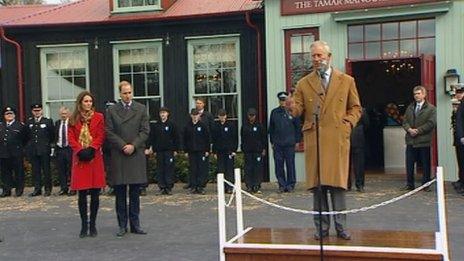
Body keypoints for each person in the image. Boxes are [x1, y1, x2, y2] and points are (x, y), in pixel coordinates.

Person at [287, 40, 361, 240]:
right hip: (315, 139)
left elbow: (356, 108)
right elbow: (298, 109)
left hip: (337, 138)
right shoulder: (304, 83)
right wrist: (291, 106)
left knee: (337, 186)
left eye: (320, 56)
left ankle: (341, 227)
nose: (316, 59)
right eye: (313, 56)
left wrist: (347, 124)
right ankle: (321, 229)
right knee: (318, 187)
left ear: (329, 57)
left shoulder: (346, 81)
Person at [106, 81, 150, 237]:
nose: (127, 95)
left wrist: (133, 145)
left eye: (129, 92)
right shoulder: (111, 110)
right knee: (120, 193)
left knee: (135, 194)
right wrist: (123, 145)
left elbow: (145, 131)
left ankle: (135, 224)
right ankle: (122, 225)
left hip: (135, 154)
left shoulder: (141, 109)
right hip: (119, 154)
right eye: (124, 93)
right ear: (120, 94)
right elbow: (109, 132)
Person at [68, 91, 106, 238]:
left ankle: (93, 224)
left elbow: (101, 135)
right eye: (86, 101)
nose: (88, 104)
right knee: (82, 194)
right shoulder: (73, 119)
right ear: (80, 103)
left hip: (94, 157)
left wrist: (92, 148)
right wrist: (79, 150)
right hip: (80, 159)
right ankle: (84, 224)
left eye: (90, 101)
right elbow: (70, 137)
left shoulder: (99, 117)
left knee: (95, 194)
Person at [402, 86, 436, 192]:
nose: (416, 96)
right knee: (409, 163)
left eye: (418, 93)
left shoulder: (431, 108)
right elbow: (405, 121)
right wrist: (409, 129)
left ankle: (425, 185)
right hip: (411, 140)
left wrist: (418, 130)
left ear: (424, 94)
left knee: (425, 164)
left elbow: (431, 123)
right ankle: (410, 184)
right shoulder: (410, 107)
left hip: (424, 141)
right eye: (415, 94)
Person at [269, 91, 301, 193]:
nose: (283, 102)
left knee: (290, 164)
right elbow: (271, 128)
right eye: (281, 100)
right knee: (279, 164)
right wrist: (272, 141)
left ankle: (291, 184)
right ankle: (282, 184)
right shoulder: (274, 112)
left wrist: (297, 141)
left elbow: (297, 127)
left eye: (284, 100)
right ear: (279, 101)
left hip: (289, 143)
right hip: (278, 143)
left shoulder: (292, 111)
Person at [147, 107, 179, 195]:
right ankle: (162, 186)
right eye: (161, 113)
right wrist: (151, 148)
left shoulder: (172, 124)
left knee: (169, 168)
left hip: (169, 150)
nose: (162, 114)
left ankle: (169, 187)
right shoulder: (156, 125)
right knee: (160, 168)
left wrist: (176, 149)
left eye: (164, 113)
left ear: (167, 114)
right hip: (159, 150)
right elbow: (152, 137)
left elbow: (176, 137)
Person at [26, 103, 55, 197]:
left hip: (44, 150)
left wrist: (49, 146)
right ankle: (37, 189)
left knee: (46, 170)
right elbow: (26, 137)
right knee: (35, 170)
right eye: (35, 111)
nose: (37, 112)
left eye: (38, 110)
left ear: (42, 111)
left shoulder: (48, 121)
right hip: (33, 150)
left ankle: (47, 189)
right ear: (32, 112)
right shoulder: (29, 122)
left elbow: (52, 135)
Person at [0, 107, 27, 197]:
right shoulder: (1, 125)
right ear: (4, 116)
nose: (9, 115)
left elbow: (25, 139)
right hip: (4, 153)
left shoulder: (20, 126)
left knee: (18, 172)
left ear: (14, 115)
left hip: (16, 153)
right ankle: (6, 190)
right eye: (7, 114)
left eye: (11, 114)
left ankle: (19, 190)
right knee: (5, 173)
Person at [183, 108, 210, 194]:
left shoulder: (203, 126)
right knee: (193, 168)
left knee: (201, 168)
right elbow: (185, 139)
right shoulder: (187, 126)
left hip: (201, 150)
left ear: (199, 116)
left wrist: (207, 150)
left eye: (196, 115)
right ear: (191, 116)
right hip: (191, 151)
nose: (195, 117)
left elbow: (207, 139)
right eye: (193, 115)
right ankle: (193, 186)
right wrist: (186, 151)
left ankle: (200, 186)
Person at [241, 108, 267, 194]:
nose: (251, 117)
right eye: (250, 115)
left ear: (255, 116)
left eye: (253, 115)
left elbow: (263, 138)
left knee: (257, 168)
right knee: (248, 168)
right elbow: (243, 138)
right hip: (248, 151)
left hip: (257, 150)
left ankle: (256, 185)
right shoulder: (244, 126)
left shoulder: (259, 126)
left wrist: (263, 149)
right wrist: (243, 148)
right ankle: (249, 185)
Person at [212, 109, 238, 194]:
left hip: (229, 151)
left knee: (229, 170)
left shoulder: (231, 125)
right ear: (218, 116)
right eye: (220, 116)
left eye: (223, 116)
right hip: (220, 151)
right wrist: (214, 152)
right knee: (221, 169)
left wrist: (234, 150)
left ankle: (230, 187)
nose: (222, 117)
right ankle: (222, 187)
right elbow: (214, 140)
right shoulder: (216, 126)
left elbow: (235, 138)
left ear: (226, 116)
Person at [348, 108, 369, 192]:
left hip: (357, 138)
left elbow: (367, 124)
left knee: (359, 164)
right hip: (345, 139)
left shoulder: (361, 110)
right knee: (345, 164)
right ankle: (347, 184)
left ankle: (359, 184)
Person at [54, 106, 72, 196]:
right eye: (62, 114)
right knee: (61, 170)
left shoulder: (72, 123)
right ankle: (63, 188)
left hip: (69, 149)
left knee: (71, 169)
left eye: (65, 114)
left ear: (69, 114)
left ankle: (73, 188)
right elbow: (54, 136)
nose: (63, 115)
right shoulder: (57, 123)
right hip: (60, 149)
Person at [452, 86, 464, 193]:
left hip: (462, 139)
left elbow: (460, 122)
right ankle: (461, 181)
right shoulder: (459, 104)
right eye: (457, 92)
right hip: (459, 140)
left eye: (460, 92)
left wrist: (461, 136)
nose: (457, 95)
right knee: (460, 161)